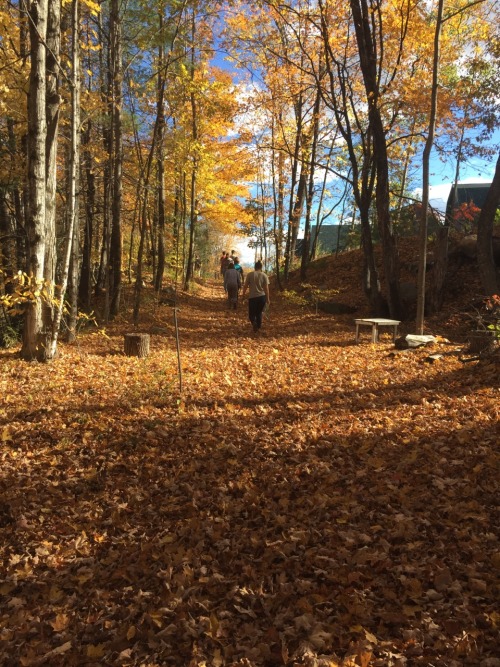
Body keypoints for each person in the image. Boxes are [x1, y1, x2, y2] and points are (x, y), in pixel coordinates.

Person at [241, 260, 270, 333]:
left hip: (252, 297)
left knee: (251, 314)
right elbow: (266, 288)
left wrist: (243, 295)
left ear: (255, 267)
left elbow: (245, 286)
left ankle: (254, 323)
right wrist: (267, 298)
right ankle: (258, 328)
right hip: (262, 297)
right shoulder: (264, 275)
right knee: (259, 313)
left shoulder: (250, 275)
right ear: (261, 267)